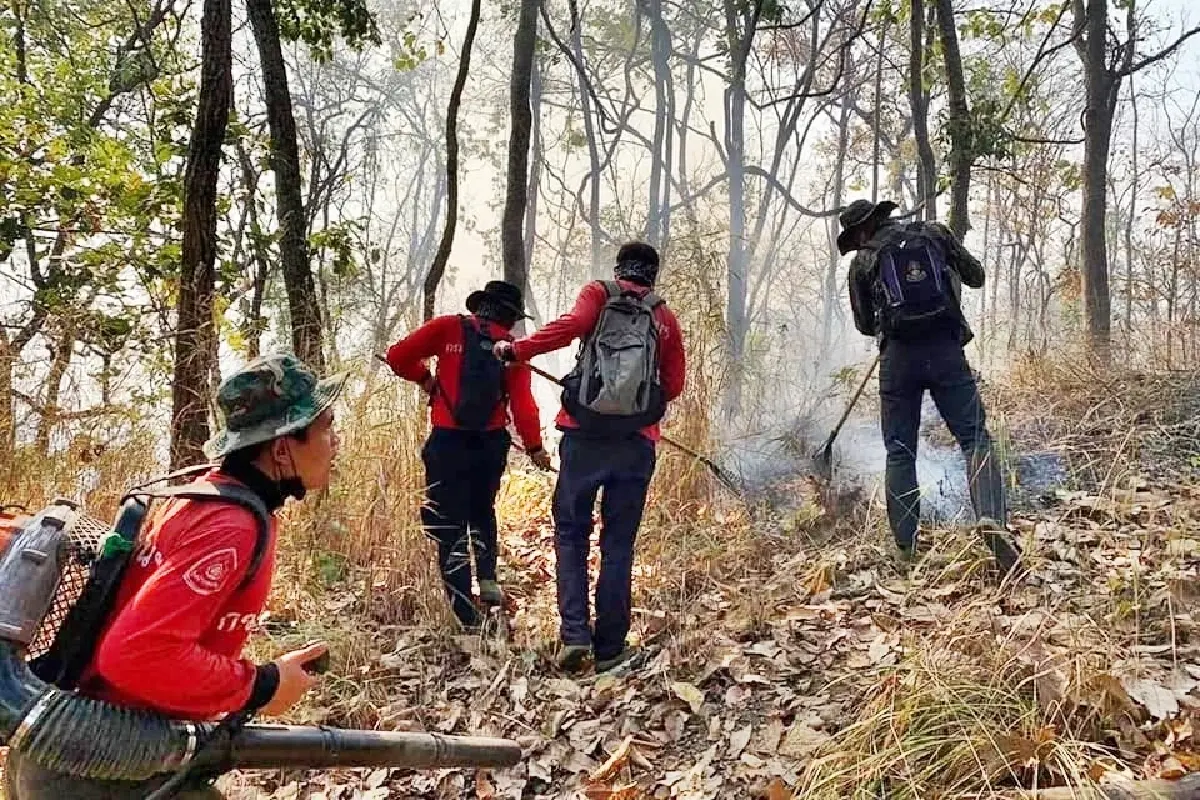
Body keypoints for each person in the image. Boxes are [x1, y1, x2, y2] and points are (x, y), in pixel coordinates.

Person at [3, 353, 345, 799]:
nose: (335, 442)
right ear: (282, 448)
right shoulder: (231, 525)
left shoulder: (198, 495)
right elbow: (134, 653)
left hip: (80, 757)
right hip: (97, 770)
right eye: (326, 427)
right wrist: (261, 684)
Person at [494, 242, 686, 673]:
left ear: (619, 269)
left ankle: (575, 635)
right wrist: (634, 409)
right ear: (653, 274)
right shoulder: (664, 318)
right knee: (618, 544)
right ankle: (611, 647)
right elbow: (673, 383)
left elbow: (569, 327)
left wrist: (517, 350)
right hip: (636, 445)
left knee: (571, 535)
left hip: (583, 438)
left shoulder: (597, 295)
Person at [838, 199, 1018, 575]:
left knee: (900, 451)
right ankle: (993, 522)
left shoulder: (863, 262)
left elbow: (864, 324)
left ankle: (905, 550)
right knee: (974, 438)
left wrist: (895, 320)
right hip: (945, 350)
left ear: (862, 231)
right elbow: (977, 275)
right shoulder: (934, 233)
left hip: (898, 360)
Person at [385, 280, 549, 631]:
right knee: (482, 509)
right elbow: (523, 406)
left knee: (449, 523)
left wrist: (426, 380)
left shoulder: (447, 328)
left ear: (481, 306)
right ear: (509, 315)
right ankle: (488, 582)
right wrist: (535, 448)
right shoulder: (512, 348)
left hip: (448, 443)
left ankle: (464, 609)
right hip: (490, 445)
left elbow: (397, 356)